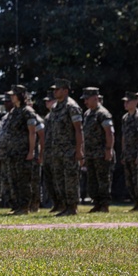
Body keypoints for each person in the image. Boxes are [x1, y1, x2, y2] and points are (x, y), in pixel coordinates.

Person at [45, 79, 83, 216]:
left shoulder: (71, 107)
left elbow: (78, 130)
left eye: (57, 89)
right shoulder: (55, 108)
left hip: (69, 151)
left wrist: (79, 150)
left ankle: (72, 207)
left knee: (70, 179)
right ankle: (64, 206)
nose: (54, 92)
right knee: (59, 180)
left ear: (65, 91)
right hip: (57, 151)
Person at [0, 86, 37, 215]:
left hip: (22, 152)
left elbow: (32, 132)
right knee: (13, 180)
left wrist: (31, 151)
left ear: (20, 95)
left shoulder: (27, 111)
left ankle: (24, 207)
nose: (11, 97)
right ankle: (17, 206)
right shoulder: (13, 112)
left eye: (13, 95)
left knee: (23, 181)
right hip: (11, 153)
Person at [80, 87, 115, 213]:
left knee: (103, 179)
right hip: (90, 154)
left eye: (87, 99)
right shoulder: (87, 114)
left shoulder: (103, 114)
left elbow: (109, 133)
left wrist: (108, 149)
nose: (85, 102)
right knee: (92, 180)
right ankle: (96, 203)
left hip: (101, 153)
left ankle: (104, 204)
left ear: (95, 98)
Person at [121, 91, 138, 212]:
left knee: (137, 180)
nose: (126, 103)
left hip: (136, 153)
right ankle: (136, 203)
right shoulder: (125, 118)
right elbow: (124, 136)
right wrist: (123, 153)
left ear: (135, 102)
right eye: (125, 101)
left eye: (128, 101)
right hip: (128, 153)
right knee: (129, 181)